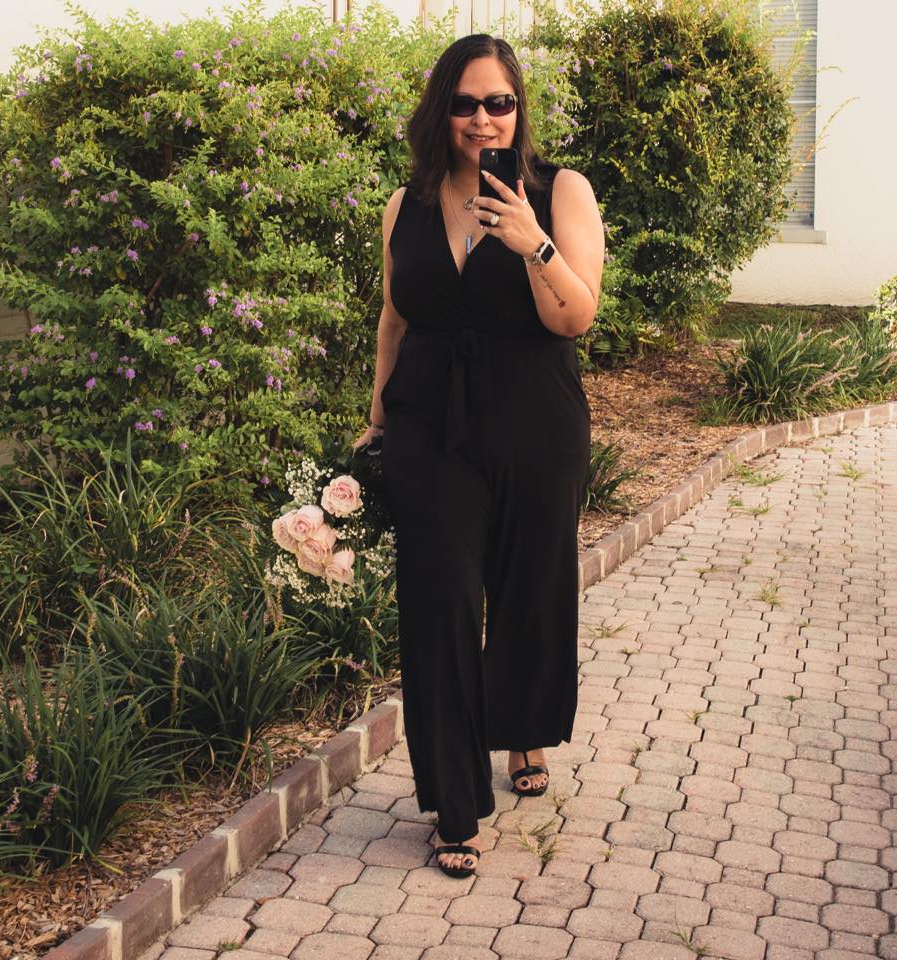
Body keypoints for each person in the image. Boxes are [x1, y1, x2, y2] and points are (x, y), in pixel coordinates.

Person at [352, 32, 604, 878]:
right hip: (430, 427)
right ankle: (455, 803)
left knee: (529, 586)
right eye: (465, 101)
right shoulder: (408, 204)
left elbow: (575, 318)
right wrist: (376, 418)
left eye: (499, 101)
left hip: (536, 420)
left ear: (519, 107)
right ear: (442, 111)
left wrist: (533, 241)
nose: (483, 118)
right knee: (440, 602)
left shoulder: (560, 190)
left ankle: (523, 729)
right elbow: (395, 319)